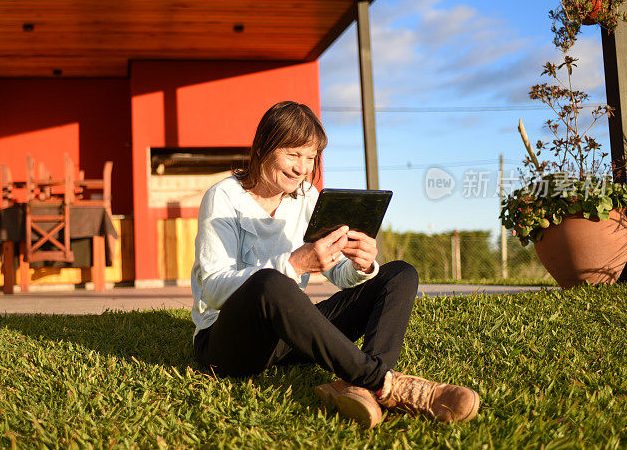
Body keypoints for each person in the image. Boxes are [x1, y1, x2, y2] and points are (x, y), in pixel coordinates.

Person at [190, 101, 479, 428]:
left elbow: (339, 275)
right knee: (271, 282)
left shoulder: (307, 197)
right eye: (293, 154)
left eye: (310, 157)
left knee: (398, 273)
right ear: (263, 147)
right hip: (229, 343)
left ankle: (359, 387)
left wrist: (360, 265)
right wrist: (294, 263)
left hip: (288, 337)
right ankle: (385, 384)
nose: (302, 168)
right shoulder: (224, 197)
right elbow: (213, 289)